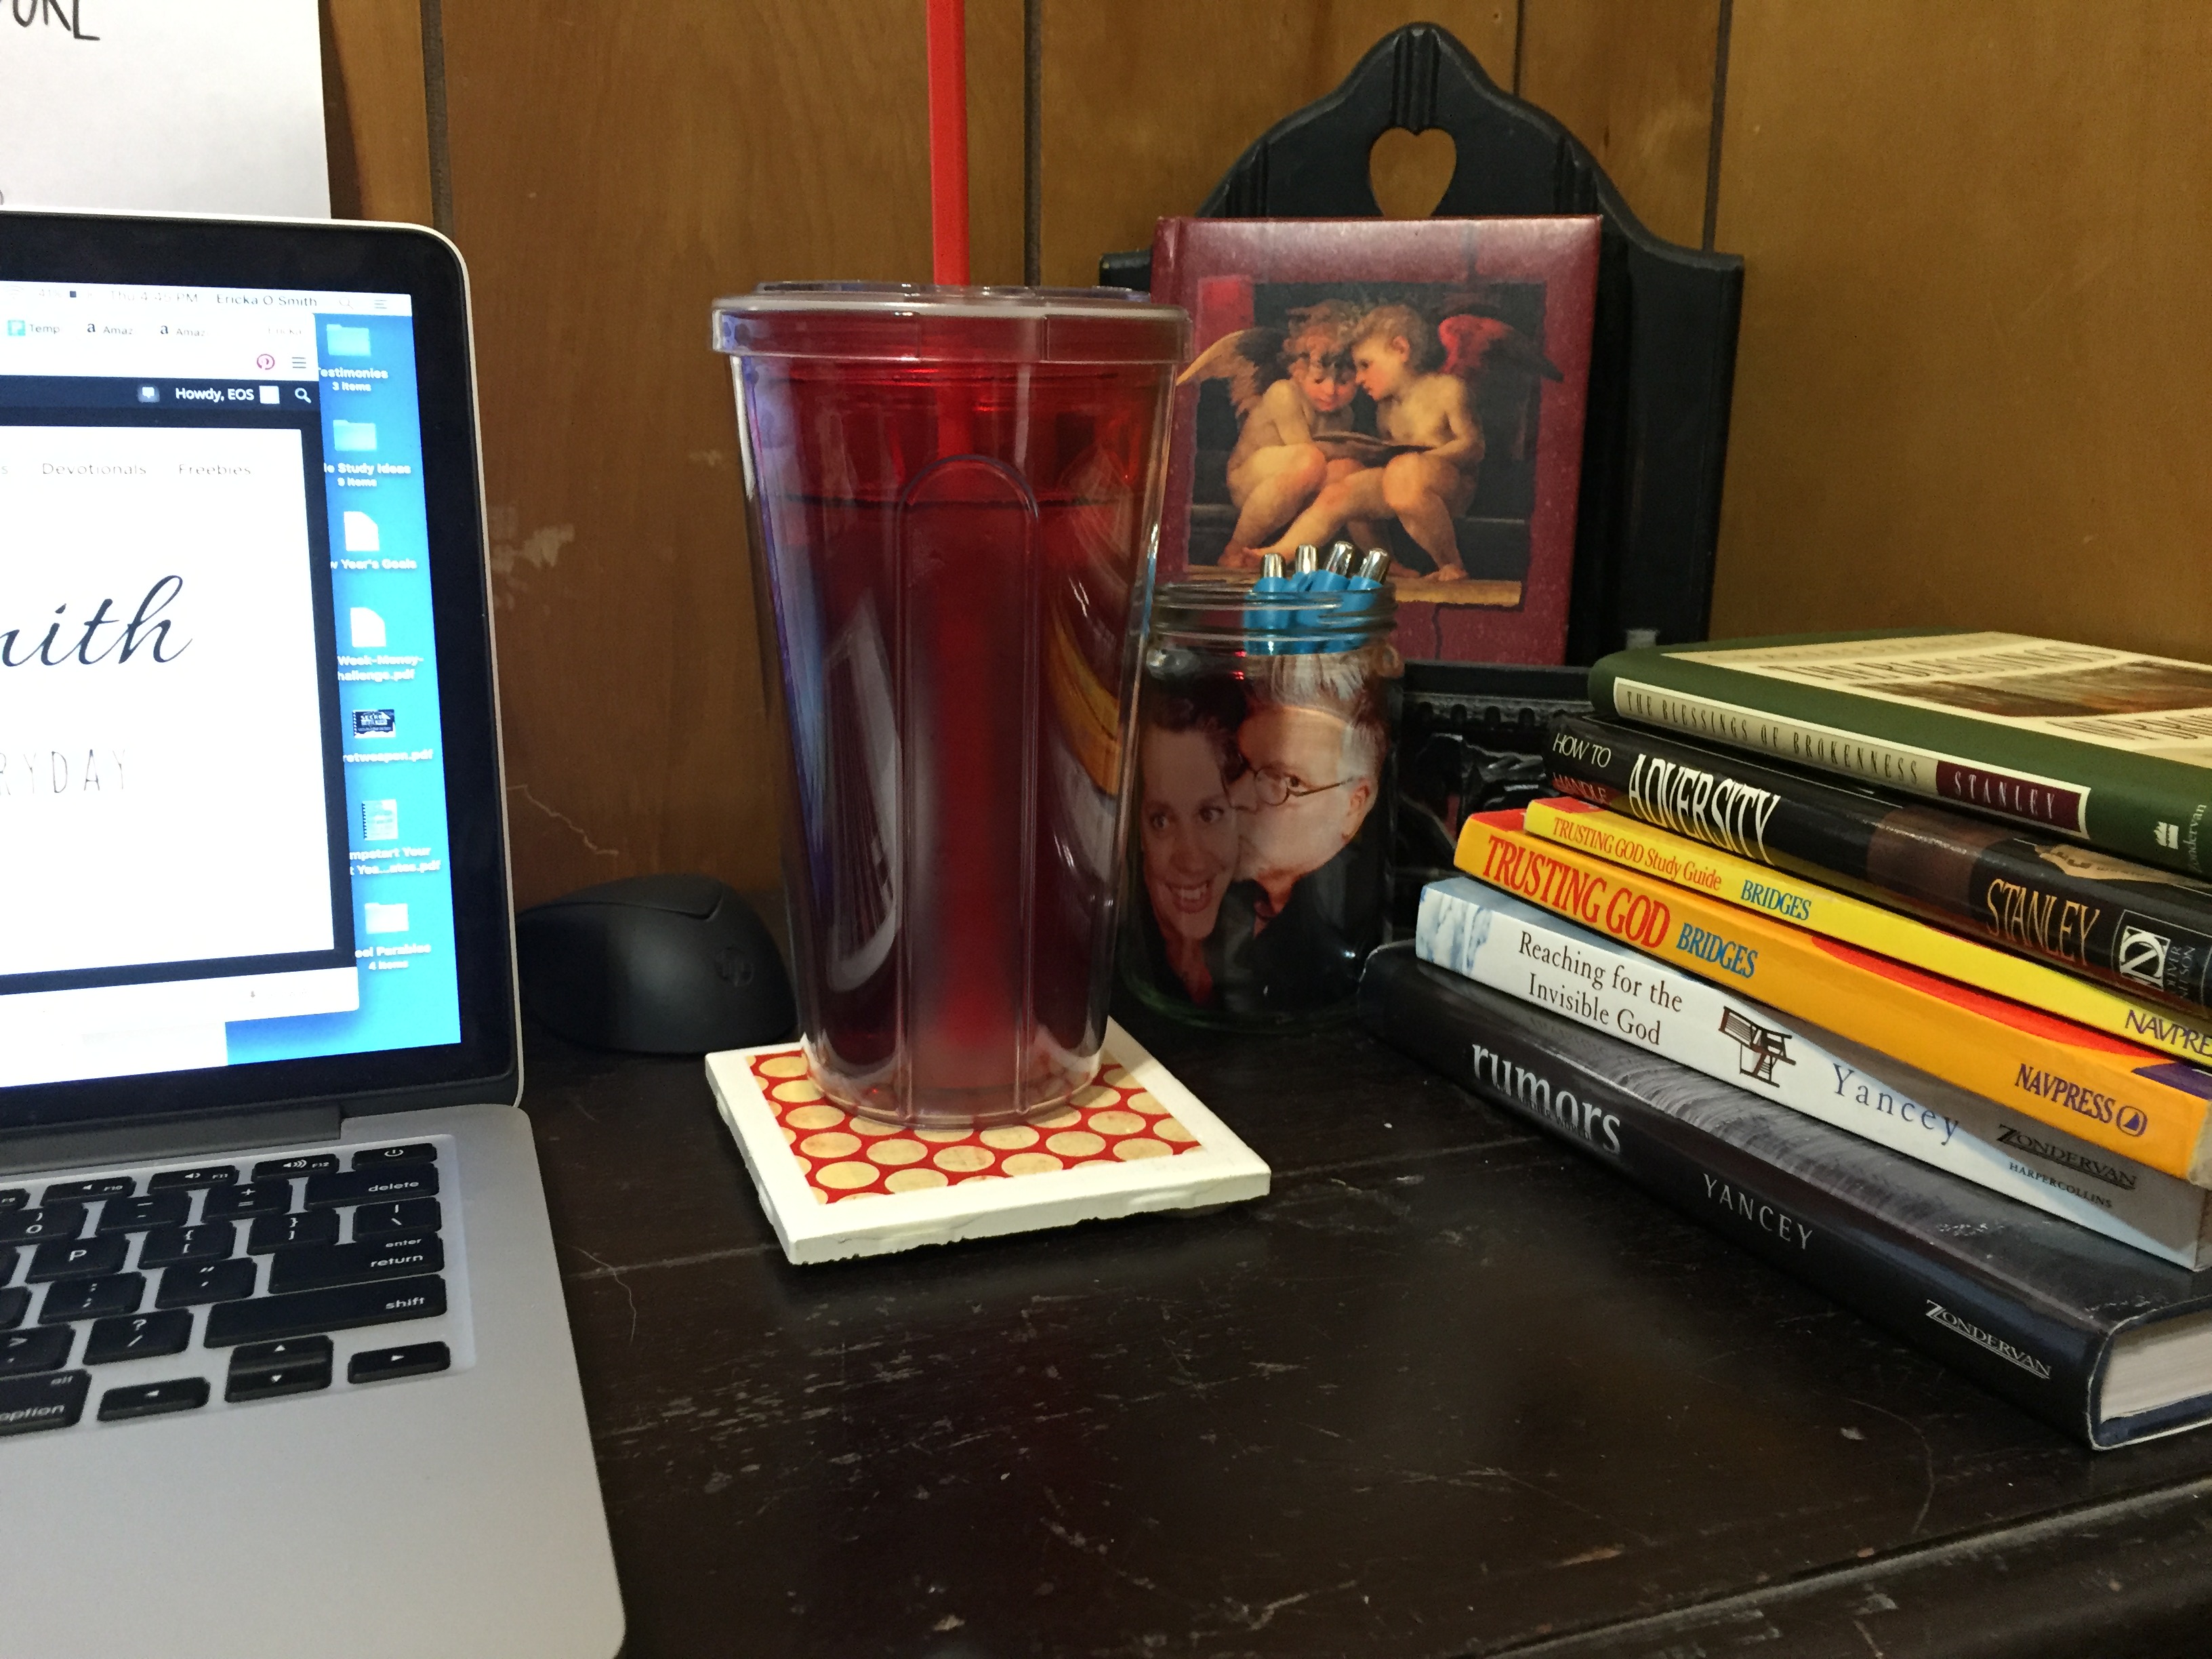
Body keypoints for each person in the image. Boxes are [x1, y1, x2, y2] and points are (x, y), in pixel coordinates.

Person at [1214, 652, 1393, 1013]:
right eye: (1243, 765)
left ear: (1353, 806)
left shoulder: (1342, 933)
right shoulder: (1213, 894)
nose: (1236, 798)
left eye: (1289, 781)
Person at [1258, 303, 1483, 581]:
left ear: (1400, 350)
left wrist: (1426, 459)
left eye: (1365, 365)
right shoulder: (1386, 411)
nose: (1360, 378)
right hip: (1400, 482)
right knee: (1341, 491)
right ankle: (1279, 552)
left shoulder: (1448, 390)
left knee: (1404, 472)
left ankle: (1451, 564)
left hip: (1452, 485)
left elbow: (1473, 446)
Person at [1177, 302, 1375, 566]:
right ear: (1298, 372)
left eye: (1343, 382)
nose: (1331, 391)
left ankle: (1376, 557)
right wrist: (1353, 448)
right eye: (1319, 381)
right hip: (1250, 481)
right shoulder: (1284, 393)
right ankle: (1235, 550)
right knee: (1310, 460)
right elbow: (1308, 452)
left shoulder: (1344, 414)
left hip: (1298, 485)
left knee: (1349, 471)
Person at [1130, 679, 1246, 1007]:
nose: (1191, 859)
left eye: (1209, 815)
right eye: (1161, 821)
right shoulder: (1126, 974)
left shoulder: (1269, 949)